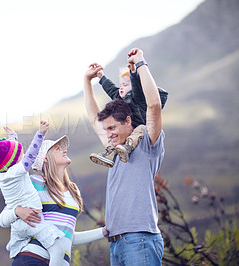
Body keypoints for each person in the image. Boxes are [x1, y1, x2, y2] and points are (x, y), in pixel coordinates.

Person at [84, 48, 165, 265]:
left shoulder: (148, 143)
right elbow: (94, 119)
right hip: (116, 242)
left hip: (140, 239)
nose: (107, 133)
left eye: (112, 127)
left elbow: (154, 105)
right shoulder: (114, 148)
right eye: (106, 129)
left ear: (128, 121)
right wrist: (87, 81)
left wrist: (140, 64)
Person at [0, 135, 107, 265]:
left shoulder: (72, 191)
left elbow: (67, 236)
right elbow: (2, 219)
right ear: (45, 158)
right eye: (57, 149)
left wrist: (104, 232)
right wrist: (17, 211)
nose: (64, 150)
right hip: (32, 259)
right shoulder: (33, 184)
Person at [0, 121, 65, 266]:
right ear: (15, 161)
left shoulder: (0, 173)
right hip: (32, 220)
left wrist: (12, 136)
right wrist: (40, 133)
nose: (23, 156)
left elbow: (8, 155)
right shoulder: (18, 171)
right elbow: (32, 154)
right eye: (20, 155)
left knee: (19, 249)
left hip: (17, 225)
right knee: (58, 250)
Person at [89, 61, 168, 168]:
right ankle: (111, 154)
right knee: (114, 137)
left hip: (142, 129)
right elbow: (111, 89)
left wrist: (134, 73)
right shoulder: (123, 100)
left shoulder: (138, 98)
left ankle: (128, 147)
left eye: (125, 85)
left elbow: (136, 86)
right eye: (121, 84)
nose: (121, 87)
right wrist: (101, 77)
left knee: (140, 129)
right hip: (129, 130)